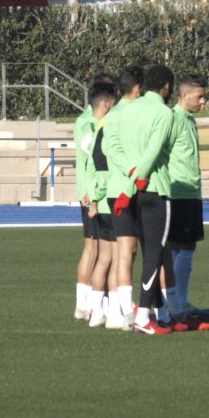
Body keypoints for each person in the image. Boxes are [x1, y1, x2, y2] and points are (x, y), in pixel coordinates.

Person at [118, 64, 178, 334]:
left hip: (133, 191)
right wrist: (138, 178)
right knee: (155, 254)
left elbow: (114, 146)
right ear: (165, 86)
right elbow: (154, 152)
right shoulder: (164, 113)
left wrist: (129, 175)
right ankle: (143, 316)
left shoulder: (129, 109)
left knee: (148, 252)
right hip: (154, 188)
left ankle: (162, 312)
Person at [165, 74, 209, 328]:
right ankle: (172, 303)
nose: (203, 101)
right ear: (183, 95)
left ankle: (182, 299)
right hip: (177, 191)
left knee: (189, 245)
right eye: (199, 96)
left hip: (192, 192)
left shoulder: (190, 120)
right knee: (176, 245)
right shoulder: (172, 119)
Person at [102, 66, 143, 330]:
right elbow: (115, 148)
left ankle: (120, 311)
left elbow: (108, 148)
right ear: (138, 88)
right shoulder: (135, 112)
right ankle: (128, 312)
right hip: (131, 189)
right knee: (129, 252)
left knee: (123, 252)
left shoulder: (112, 114)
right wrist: (133, 169)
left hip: (115, 190)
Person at [82, 81, 117, 327]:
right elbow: (109, 167)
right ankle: (115, 311)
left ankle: (95, 311)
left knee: (104, 258)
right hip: (113, 200)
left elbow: (91, 166)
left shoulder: (94, 130)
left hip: (100, 201)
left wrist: (93, 196)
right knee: (118, 258)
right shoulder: (108, 127)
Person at [73, 88, 100, 321]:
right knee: (101, 251)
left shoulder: (81, 120)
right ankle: (94, 305)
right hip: (95, 194)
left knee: (91, 249)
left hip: (86, 192)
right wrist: (91, 193)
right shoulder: (92, 124)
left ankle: (83, 305)